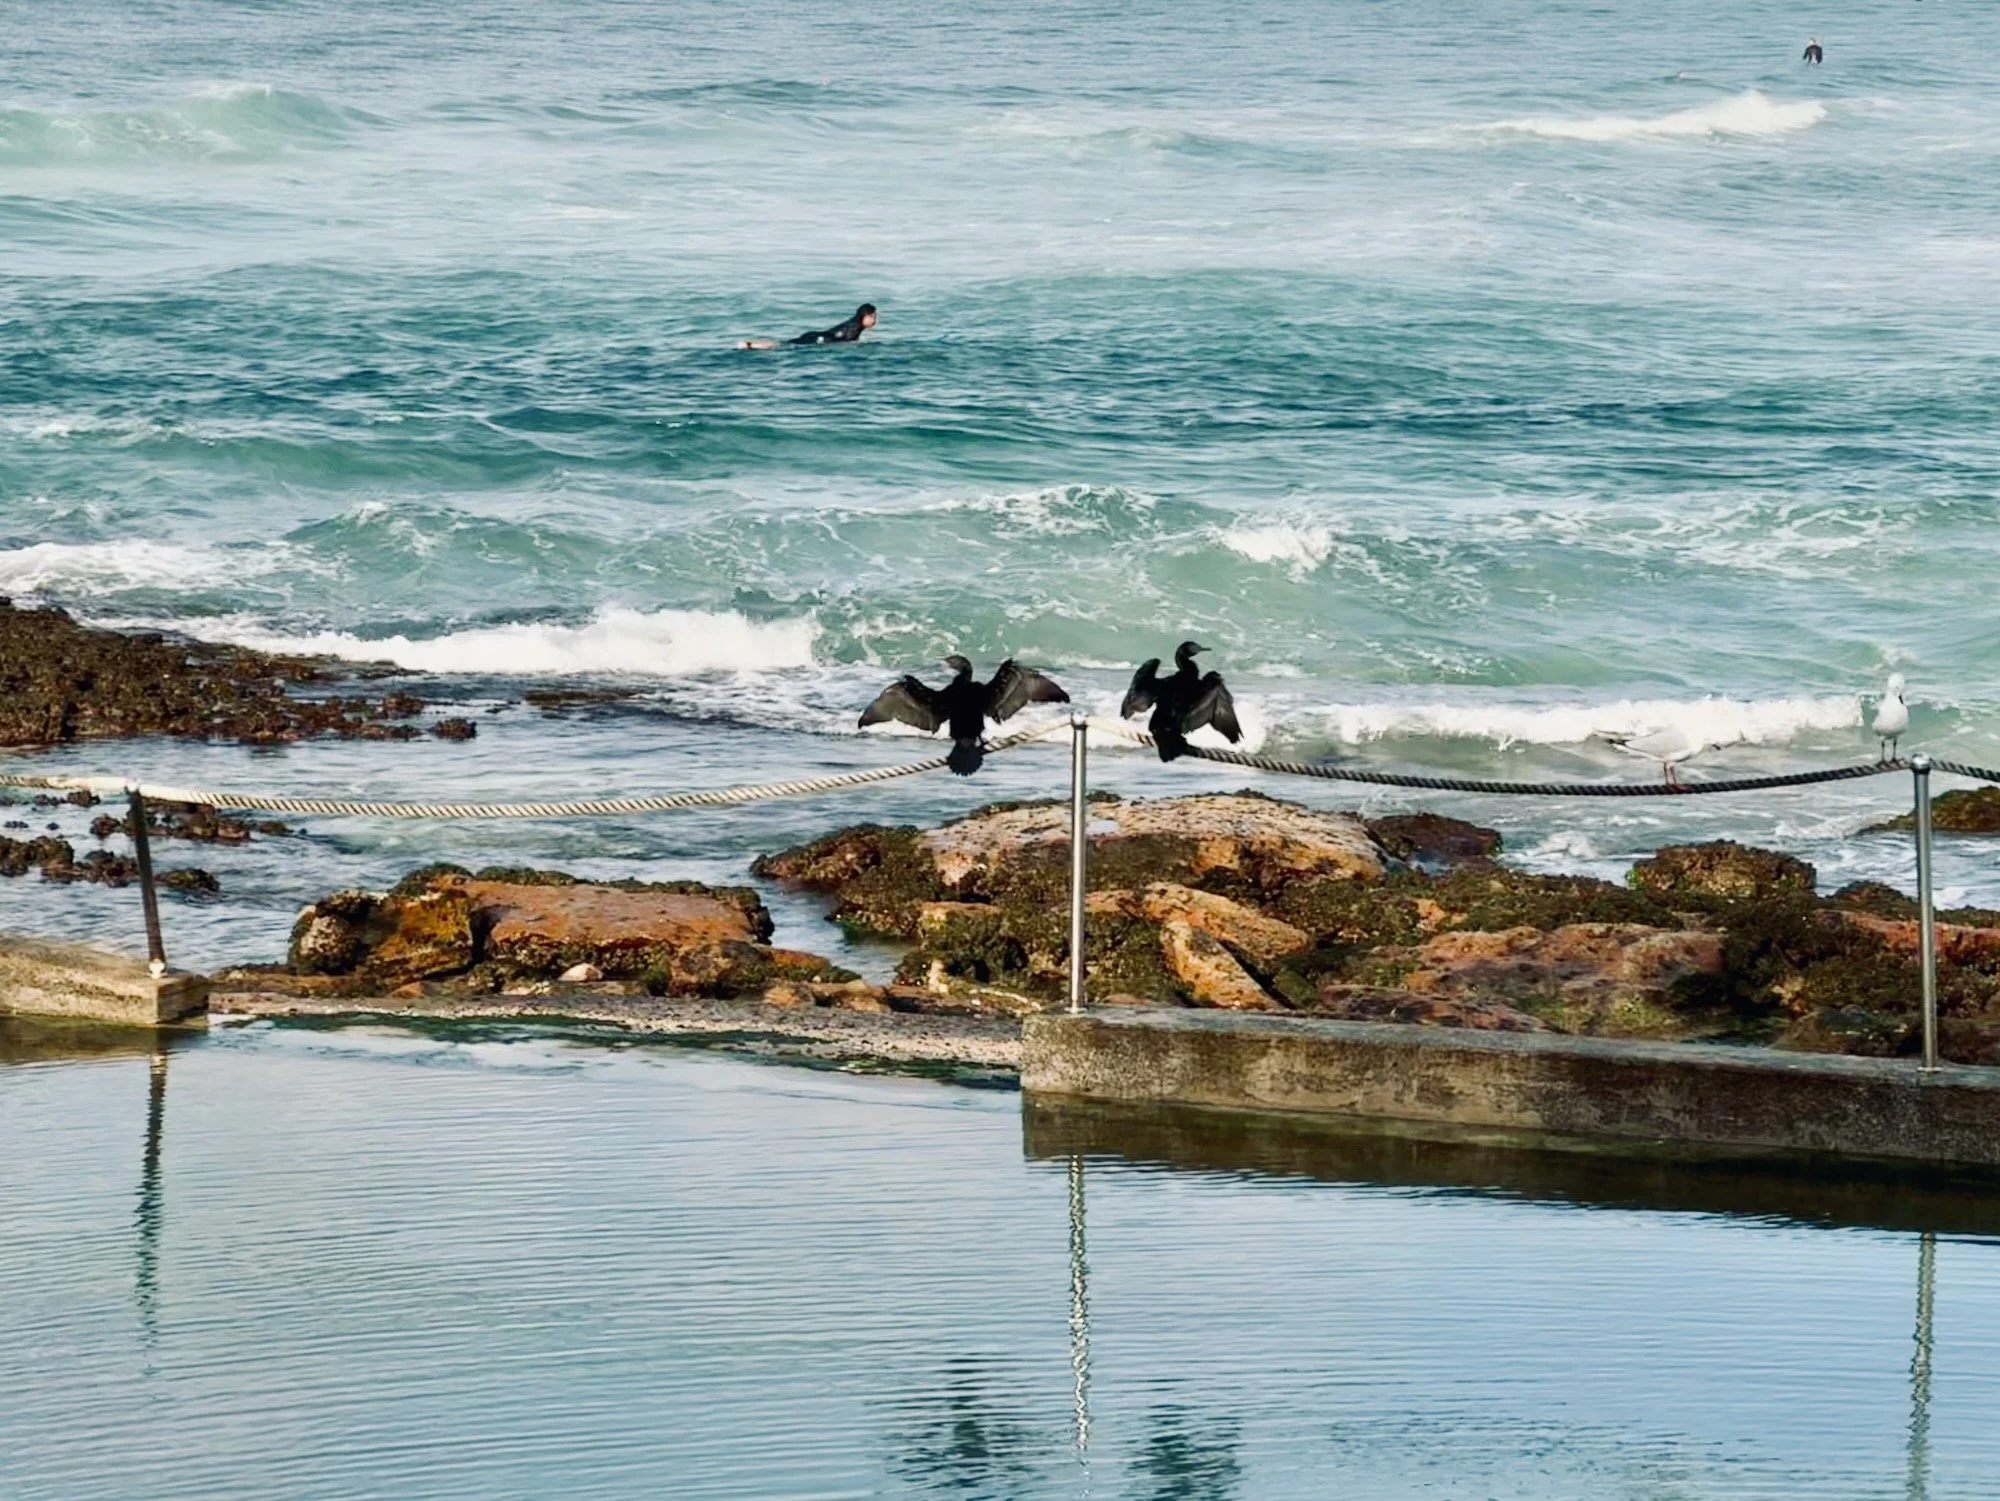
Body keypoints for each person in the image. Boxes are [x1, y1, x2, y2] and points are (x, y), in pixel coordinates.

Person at [738, 304, 877, 350]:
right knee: (783, 345)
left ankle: (752, 345)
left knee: (785, 344)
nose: (875, 320)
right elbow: (844, 343)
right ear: (866, 316)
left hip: (818, 336)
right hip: (819, 339)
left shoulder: (853, 324)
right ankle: (751, 345)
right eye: (874, 317)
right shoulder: (854, 328)